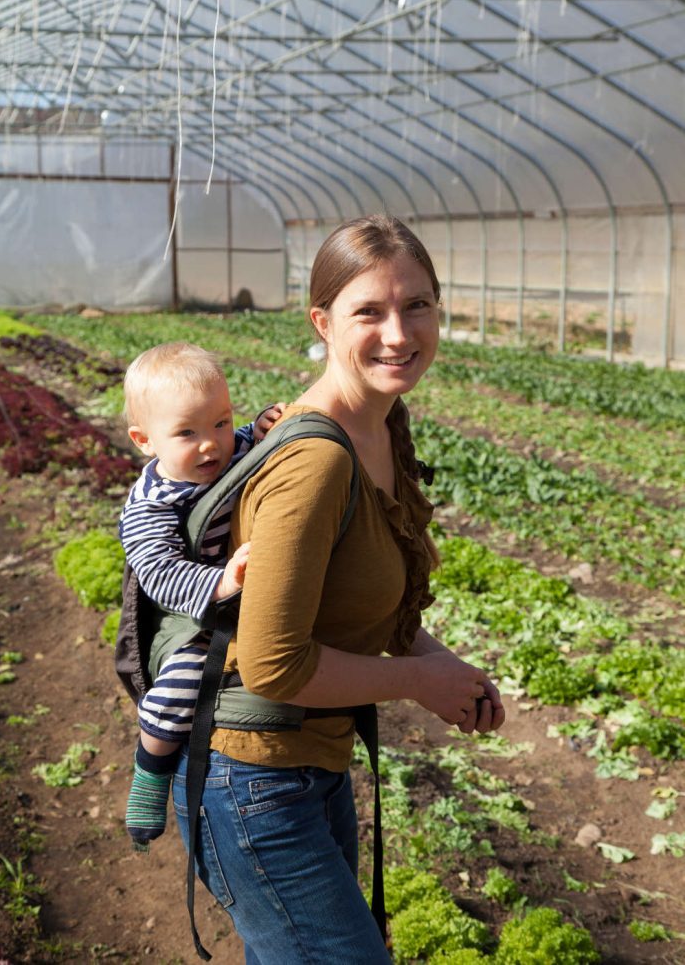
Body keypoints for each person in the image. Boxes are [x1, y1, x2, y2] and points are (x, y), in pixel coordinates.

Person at [171, 216, 505, 964]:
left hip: (312, 767)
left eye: (417, 305)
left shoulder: (382, 430)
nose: (399, 332)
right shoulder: (315, 463)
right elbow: (274, 666)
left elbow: (374, 604)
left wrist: (443, 667)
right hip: (252, 782)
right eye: (369, 311)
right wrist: (417, 680)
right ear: (321, 322)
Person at [119, 341, 283, 847]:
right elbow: (161, 574)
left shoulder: (222, 450)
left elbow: (238, 442)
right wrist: (223, 582)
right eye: (187, 432)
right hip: (187, 615)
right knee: (181, 687)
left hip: (231, 595)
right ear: (145, 440)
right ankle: (151, 768)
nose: (212, 444)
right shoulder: (148, 507)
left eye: (220, 421)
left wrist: (258, 431)